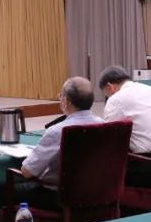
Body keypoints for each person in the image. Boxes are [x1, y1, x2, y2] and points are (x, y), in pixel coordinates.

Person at [17, 77, 102, 205]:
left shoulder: (57, 131)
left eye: (61, 96)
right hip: (97, 193)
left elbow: (27, 172)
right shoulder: (104, 125)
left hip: (58, 197)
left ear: (66, 101)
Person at [98, 65, 151, 154]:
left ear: (109, 87)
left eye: (106, 94)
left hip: (144, 158)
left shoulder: (116, 99)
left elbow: (109, 136)